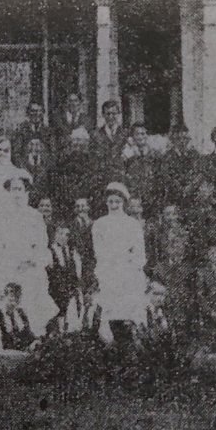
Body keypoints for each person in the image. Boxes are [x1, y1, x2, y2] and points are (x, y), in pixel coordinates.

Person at [0, 175, 57, 345]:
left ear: (26, 192)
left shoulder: (35, 216)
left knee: (34, 295)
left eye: (20, 189)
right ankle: (10, 337)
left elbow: (42, 244)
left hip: (29, 267)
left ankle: (35, 338)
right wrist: (6, 265)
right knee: (6, 296)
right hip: (8, 267)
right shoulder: (1, 217)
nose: (17, 193)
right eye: (13, 189)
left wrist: (30, 262)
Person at [91, 182, 151, 340]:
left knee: (129, 312)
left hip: (128, 273)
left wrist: (132, 265)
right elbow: (98, 251)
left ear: (123, 202)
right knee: (110, 312)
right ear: (106, 202)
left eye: (117, 201)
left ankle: (130, 341)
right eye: (110, 201)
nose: (114, 205)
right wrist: (107, 266)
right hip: (109, 273)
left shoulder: (132, 224)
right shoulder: (100, 224)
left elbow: (139, 251)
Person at [46, 222, 85, 328]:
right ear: (55, 234)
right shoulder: (49, 252)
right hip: (56, 293)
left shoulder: (72, 252)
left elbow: (78, 273)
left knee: (73, 321)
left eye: (67, 235)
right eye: (61, 233)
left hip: (71, 293)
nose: (64, 237)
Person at [0, 283, 36, 351]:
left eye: (17, 296)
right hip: (5, 351)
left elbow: (28, 333)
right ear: (4, 297)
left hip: (22, 350)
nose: (14, 298)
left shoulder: (21, 313)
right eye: (11, 295)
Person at [92, 100, 129, 173]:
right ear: (103, 114)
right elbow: (93, 160)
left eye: (114, 113)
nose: (111, 117)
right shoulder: (96, 135)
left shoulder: (126, 134)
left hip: (121, 174)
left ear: (119, 114)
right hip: (102, 174)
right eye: (108, 114)